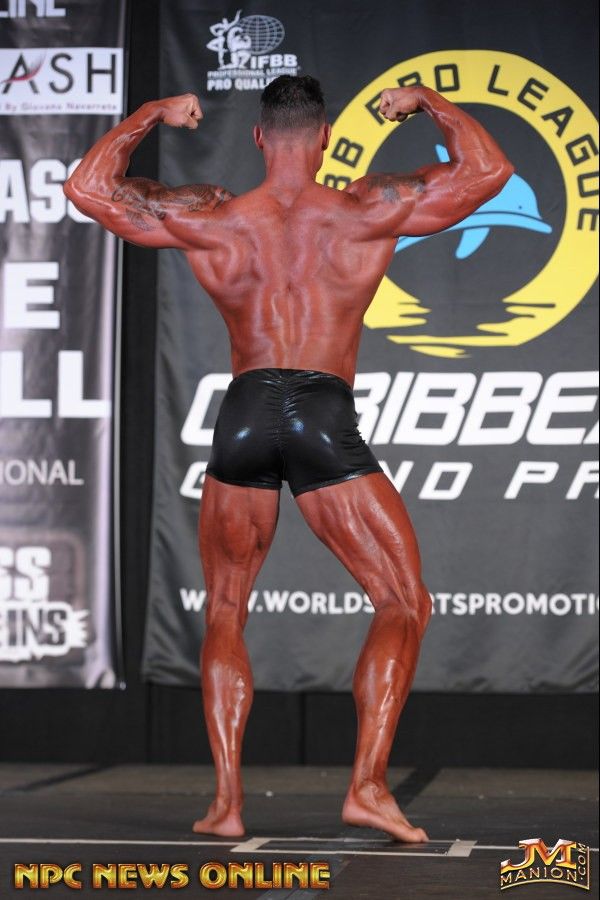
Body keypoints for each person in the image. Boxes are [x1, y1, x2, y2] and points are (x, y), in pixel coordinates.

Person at [64, 75, 513, 843]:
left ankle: (226, 804)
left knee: (226, 608)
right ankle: (367, 787)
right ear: (327, 137)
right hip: (320, 409)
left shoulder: (213, 216)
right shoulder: (368, 208)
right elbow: (489, 172)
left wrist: (150, 114)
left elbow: (88, 189)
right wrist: (427, 102)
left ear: (259, 138)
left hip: (243, 412)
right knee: (403, 601)